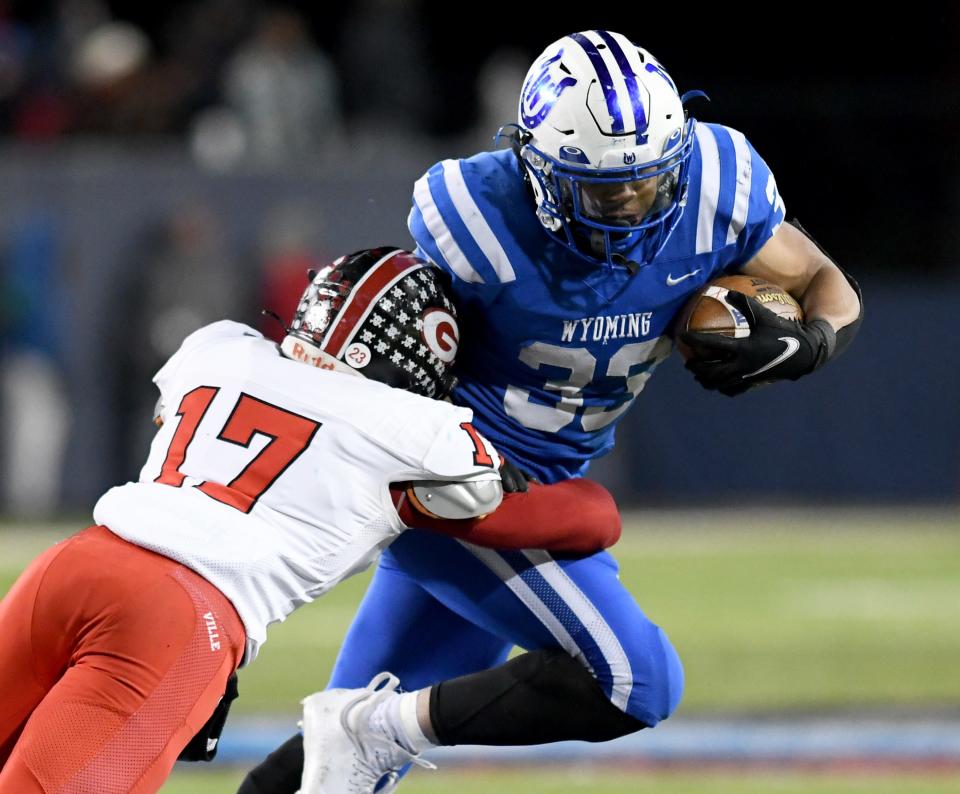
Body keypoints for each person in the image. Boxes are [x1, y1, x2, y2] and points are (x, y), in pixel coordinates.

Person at [240, 29, 863, 792]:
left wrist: (815, 344)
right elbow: (382, 350)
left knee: (335, 775)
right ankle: (372, 731)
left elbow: (827, 281)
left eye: (648, 182)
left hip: (539, 490)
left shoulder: (715, 187)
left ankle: (364, 734)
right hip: (463, 486)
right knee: (636, 682)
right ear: (538, 168)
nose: (631, 206)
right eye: (605, 190)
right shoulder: (475, 220)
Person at [0, 247, 621, 794]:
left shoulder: (218, 347)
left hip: (73, 564)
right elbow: (588, 522)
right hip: (182, 615)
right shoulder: (417, 433)